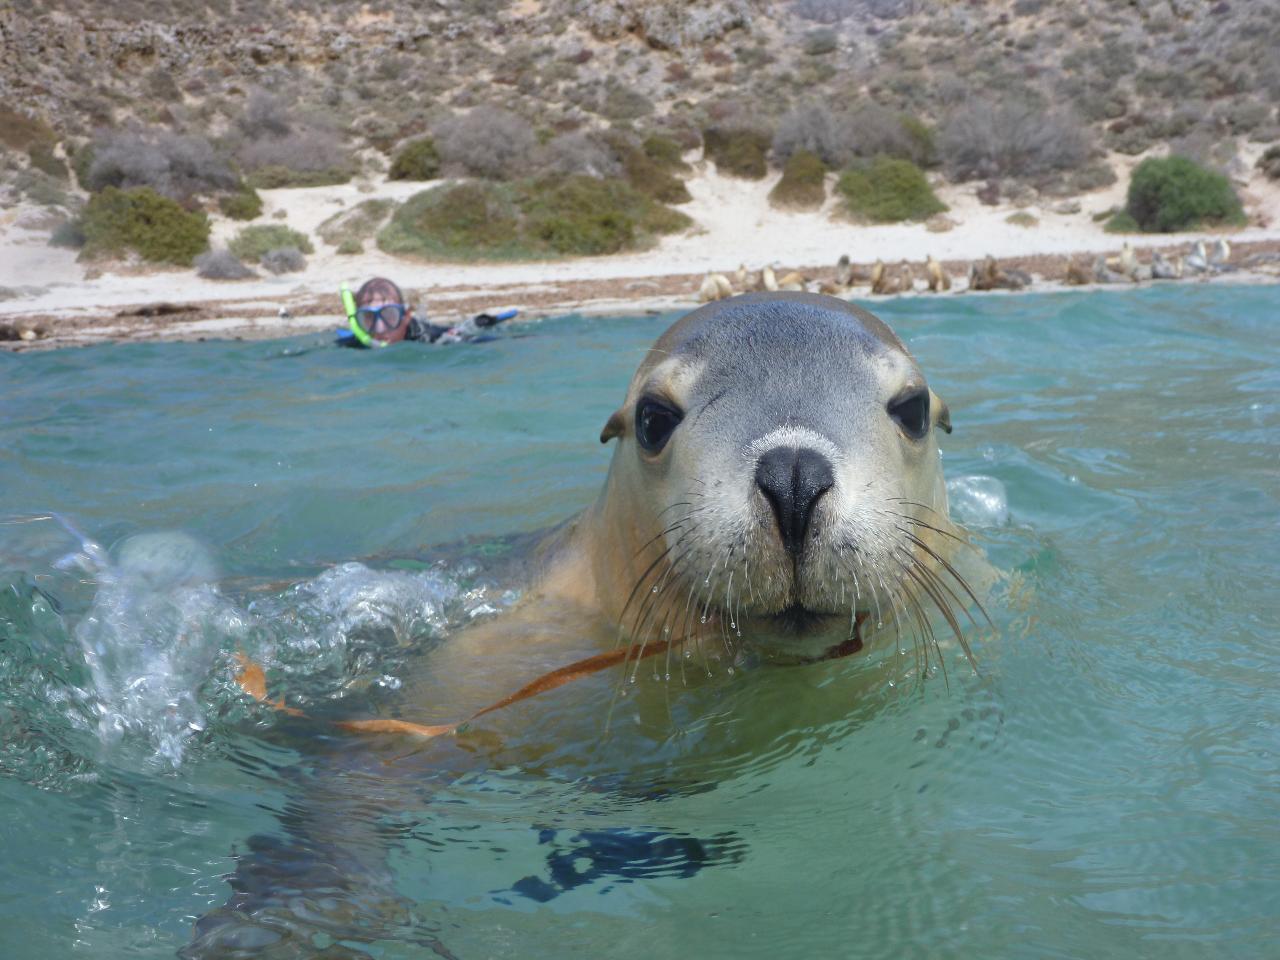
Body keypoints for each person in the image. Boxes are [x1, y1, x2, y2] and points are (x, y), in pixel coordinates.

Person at [337, 277, 515, 348]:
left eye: (389, 316)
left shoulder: (427, 337)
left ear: (406, 316)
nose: (380, 329)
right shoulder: (353, 344)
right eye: (368, 319)